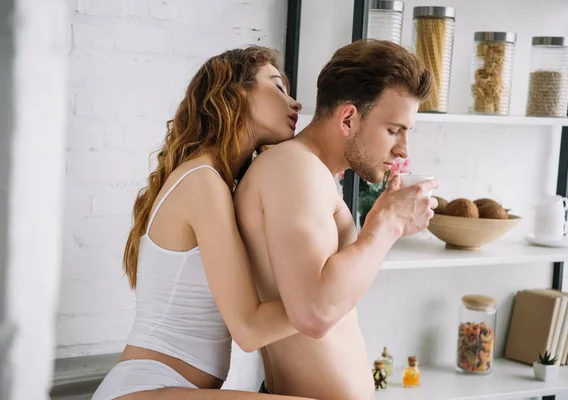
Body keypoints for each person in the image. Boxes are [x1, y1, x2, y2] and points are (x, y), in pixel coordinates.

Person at [91, 46, 314, 400]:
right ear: (235, 94)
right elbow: (250, 328)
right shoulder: (201, 181)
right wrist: (334, 293)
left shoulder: (221, 183)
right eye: (277, 87)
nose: (295, 103)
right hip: (143, 388)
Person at [234, 39, 439, 400]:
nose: (404, 149)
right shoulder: (295, 167)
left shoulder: (310, 172)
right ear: (348, 118)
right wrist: (389, 222)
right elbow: (314, 312)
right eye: (394, 130)